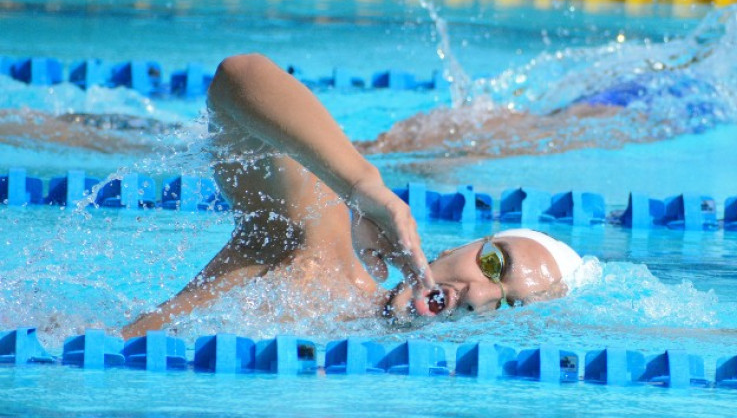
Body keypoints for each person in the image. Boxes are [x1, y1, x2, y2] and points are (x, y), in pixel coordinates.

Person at [121, 53, 588, 338]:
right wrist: (363, 186)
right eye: (492, 264)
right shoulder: (317, 253)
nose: (479, 295)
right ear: (457, 248)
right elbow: (238, 77)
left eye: (509, 305)